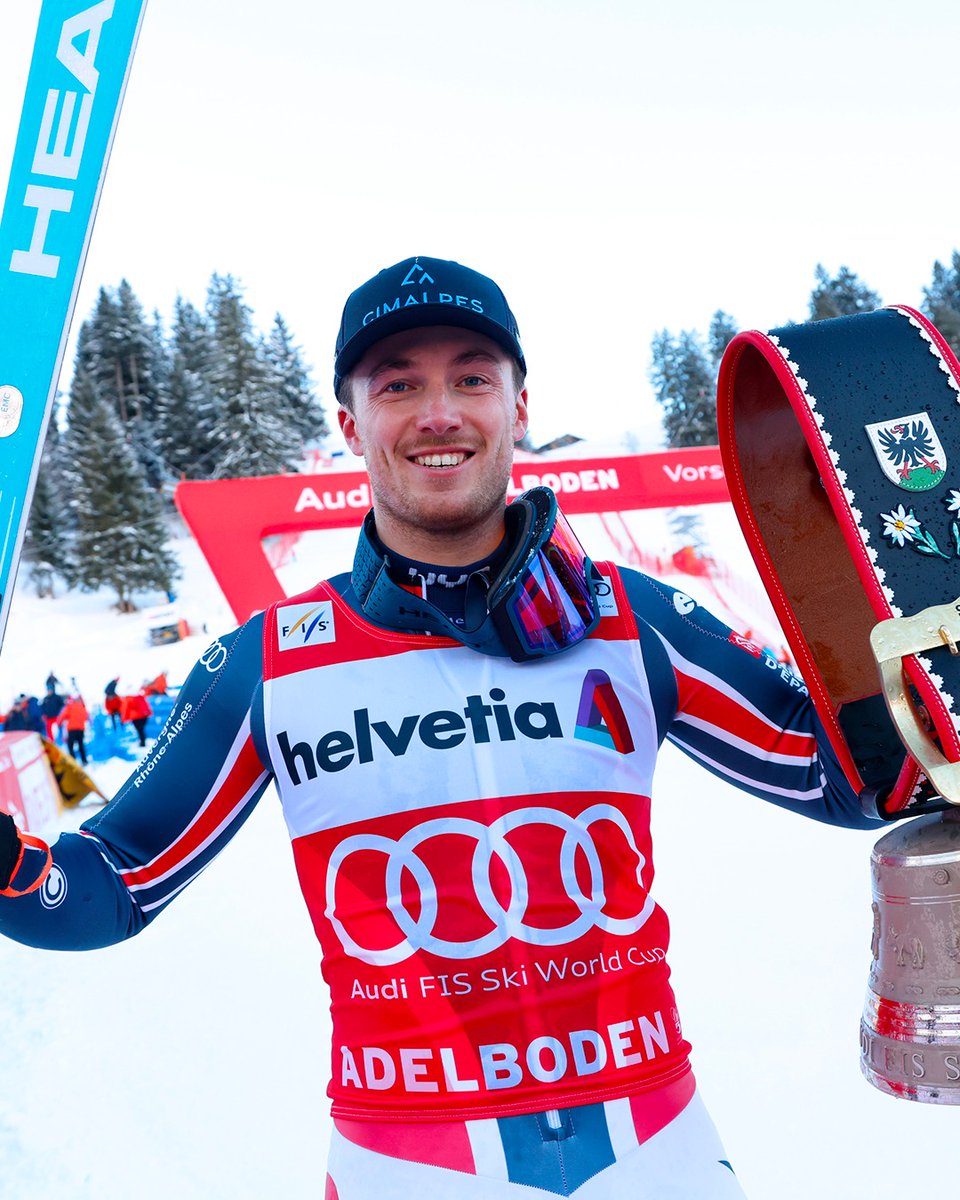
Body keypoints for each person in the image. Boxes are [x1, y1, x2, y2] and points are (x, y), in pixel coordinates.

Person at [0, 256, 900, 1199]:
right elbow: (109, 888)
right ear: (350, 424)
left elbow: (842, 775)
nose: (440, 412)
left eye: (473, 377)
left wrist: (916, 653)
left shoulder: (632, 620)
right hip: (410, 1162)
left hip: (655, 1145)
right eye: (399, 384)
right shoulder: (265, 664)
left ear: (517, 408)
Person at [55, 694, 90, 766]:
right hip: (81, 730)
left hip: (72, 730)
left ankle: (73, 762)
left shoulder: (69, 706)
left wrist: (58, 723)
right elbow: (86, 717)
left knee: (70, 746)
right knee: (81, 746)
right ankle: (84, 761)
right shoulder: (81, 706)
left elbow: (62, 716)